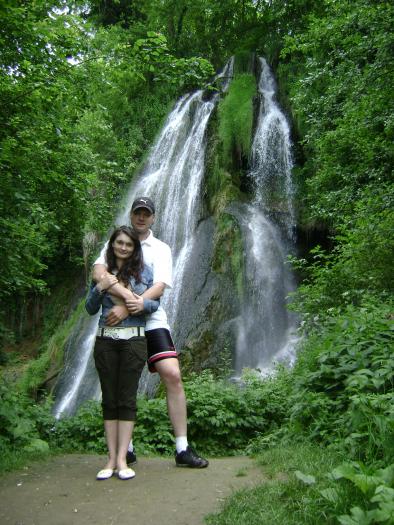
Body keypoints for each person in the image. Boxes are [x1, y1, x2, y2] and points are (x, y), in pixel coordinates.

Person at [93, 197, 209, 468]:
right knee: (121, 380)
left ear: (154, 217)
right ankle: (126, 449)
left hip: (153, 318)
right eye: (138, 213)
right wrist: (125, 305)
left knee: (172, 374)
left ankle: (182, 447)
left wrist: (133, 306)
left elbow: (160, 286)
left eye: (146, 214)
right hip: (119, 322)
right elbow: (99, 273)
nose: (142, 218)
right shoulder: (118, 242)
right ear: (132, 215)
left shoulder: (161, 248)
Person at [86, 226, 159, 480]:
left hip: (134, 343)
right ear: (112, 244)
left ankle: (122, 459)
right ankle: (109, 459)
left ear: (134, 248)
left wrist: (138, 303)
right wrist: (100, 287)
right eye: (120, 243)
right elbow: (90, 308)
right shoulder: (102, 273)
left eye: (129, 244)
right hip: (105, 342)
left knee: (127, 400)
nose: (124, 247)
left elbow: (153, 305)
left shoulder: (145, 273)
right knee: (109, 399)